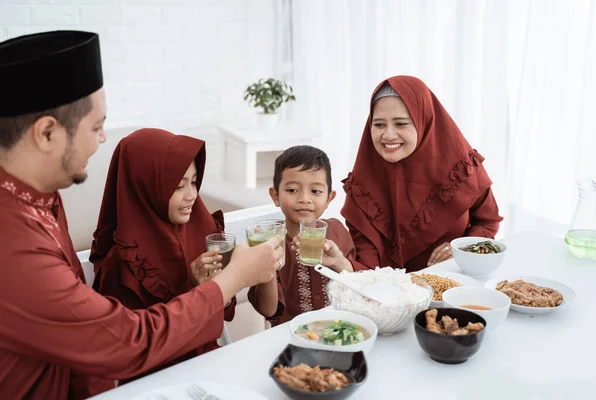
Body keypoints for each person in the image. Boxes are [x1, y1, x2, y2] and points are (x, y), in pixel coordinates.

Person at [0, 30, 282, 399]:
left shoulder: (42, 197)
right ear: (47, 133)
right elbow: (125, 342)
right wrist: (232, 279)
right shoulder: (13, 244)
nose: (102, 140)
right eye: (97, 127)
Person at [90, 128, 236, 387]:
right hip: (156, 386)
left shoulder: (200, 230)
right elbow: (136, 351)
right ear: (145, 187)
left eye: (193, 181)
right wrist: (195, 288)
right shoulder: (122, 265)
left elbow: (224, 314)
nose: (192, 194)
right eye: (178, 186)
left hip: (210, 370)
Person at [341, 76, 503, 272]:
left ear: (424, 121)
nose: (388, 135)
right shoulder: (363, 184)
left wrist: (462, 248)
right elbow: (366, 262)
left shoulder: (461, 169)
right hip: (389, 293)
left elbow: (488, 220)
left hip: (454, 288)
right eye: (379, 125)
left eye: (401, 124)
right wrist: (342, 265)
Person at [248, 145, 368, 326]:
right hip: (290, 338)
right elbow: (268, 310)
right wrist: (268, 264)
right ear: (275, 196)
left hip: (341, 329)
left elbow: (361, 289)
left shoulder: (338, 232)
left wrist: (339, 262)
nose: (304, 199)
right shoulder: (271, 243)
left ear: (329, 198)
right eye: (292, 190)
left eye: (315, 191)